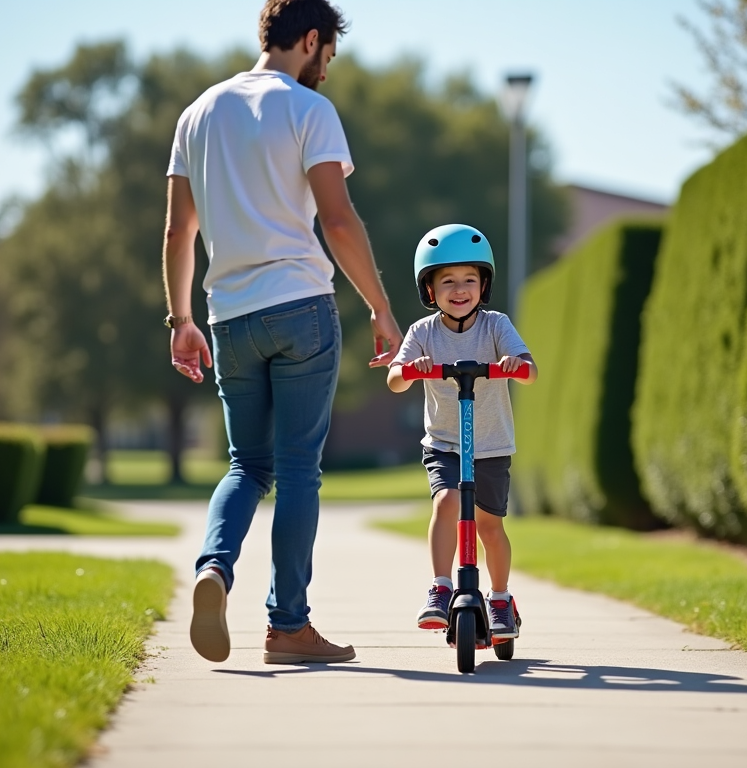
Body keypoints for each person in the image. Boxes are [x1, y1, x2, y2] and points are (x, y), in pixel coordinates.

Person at [162, 0, 403, 665]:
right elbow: (339, 220)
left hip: (228, 315)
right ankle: (289, 627)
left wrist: (181, 321)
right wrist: (382, 309)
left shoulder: (198, 113)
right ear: (309, 39)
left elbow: (179, 232)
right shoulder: (308, 110)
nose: (327, 68)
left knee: (247, 464)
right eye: (328, 54)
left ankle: (215, 568)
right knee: (298, 468)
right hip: (300, 307)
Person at [386, 224, 538, 640]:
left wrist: (514, 365)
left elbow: (529, 370)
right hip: (445, 444)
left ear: (483, 284)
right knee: (448, 502)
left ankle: (501, 597)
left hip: (490, 445)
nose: (459, 289)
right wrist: (409, 371)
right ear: (430, 290)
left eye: (469, 279)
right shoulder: (423, 333)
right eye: (447, 281)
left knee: (489, 525)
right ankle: (440, 586)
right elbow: (395, 379)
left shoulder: (495, 326)